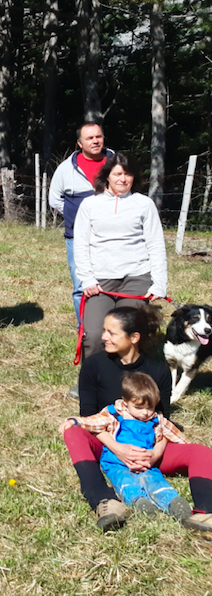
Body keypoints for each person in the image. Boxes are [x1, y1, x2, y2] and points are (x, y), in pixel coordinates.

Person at [62, 306, 212, 534]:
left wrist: (155, 454)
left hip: (148, 448)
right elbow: (88, 417)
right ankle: (105, 502)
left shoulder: (158, 370)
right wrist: (119, 449)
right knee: (73, 431)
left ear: (134, 338)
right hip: (108, 445)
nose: (103, 337)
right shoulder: (94, 365)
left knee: (201, 452)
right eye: (104, 331)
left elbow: (163, 420)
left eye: (111, 333)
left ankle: (205, 512)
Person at [60, 372, 192, 521]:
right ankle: (138, 502)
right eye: (139, 407)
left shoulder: (157, 420)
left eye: (150, 408)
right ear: (125, 402)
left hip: (145, 464)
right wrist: (74, 421)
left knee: (155, 480)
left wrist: (177, 450)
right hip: (117, 464)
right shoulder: (115, 414)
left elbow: (179, 438)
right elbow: (93, 422)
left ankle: (172, 502)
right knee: (124, 481)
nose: (145, 413)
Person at [74, 152, 167, 360]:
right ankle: (92, 380)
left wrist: (159, 283)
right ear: (107, 176)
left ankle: (128, 379)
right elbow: (80, 245)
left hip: (136, 279)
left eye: (128, 174)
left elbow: (156, 245)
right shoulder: (90, 205)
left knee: (127, 334)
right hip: (100, 282)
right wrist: (87, 279)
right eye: (117, 174)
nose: (122, 179)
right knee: (97, 335)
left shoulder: (144, 204)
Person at [48, 122, 114, 325]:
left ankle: (113, 330)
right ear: (79, 143)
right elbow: (55, 199)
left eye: (98, 137)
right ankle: (85, 330)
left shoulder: (117, 163)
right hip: (77, 238)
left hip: (113, 236)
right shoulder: (66, 169)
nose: (95, 141)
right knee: (81, 286)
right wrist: (76, 216)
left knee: (113, 283)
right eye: (89, 138)